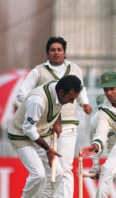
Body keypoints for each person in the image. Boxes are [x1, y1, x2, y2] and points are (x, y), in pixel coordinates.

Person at [17, 36, 92, 198]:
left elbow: (81, 91)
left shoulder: (75, 69)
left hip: (68, 124)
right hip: (43, 128)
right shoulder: (38, 71)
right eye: (52, 50)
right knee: (48, 170)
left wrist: (84, 103)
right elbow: (22, 93)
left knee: (65, 166)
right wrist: (37, 106)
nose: (56, 53)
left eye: (59, 50)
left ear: (65, 53)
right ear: (47, 53)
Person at [7, 75, 82, 198]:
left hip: (41, 134)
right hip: (21, 136)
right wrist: (48, 149)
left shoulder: (59, 89)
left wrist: (57, 122)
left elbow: (57, 104)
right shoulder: (37, 101)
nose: (72, 102)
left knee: (57, 174)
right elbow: (28, 129)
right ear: (61, 92)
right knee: (39, 175)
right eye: (70, 98)